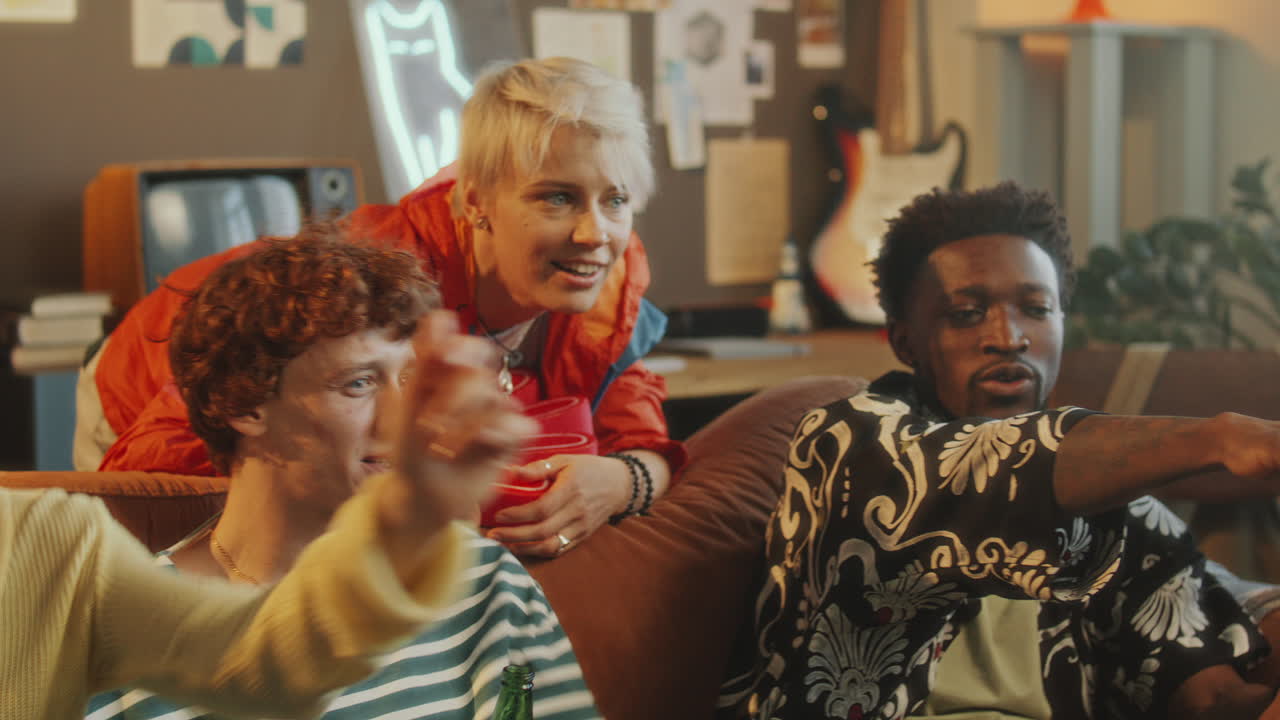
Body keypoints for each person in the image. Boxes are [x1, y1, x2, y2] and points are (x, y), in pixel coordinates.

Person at [75, 56, 683, 558]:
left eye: (616, 199)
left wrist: (623, 481)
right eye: (556, 198)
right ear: (475, 201)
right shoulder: (372, 287)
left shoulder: (601, 287)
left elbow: (642, 434)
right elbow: (162, 456)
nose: (594, 233)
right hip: (148, 379)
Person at [718, 182, 1280, 719]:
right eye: (966, 313)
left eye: (1036, 309)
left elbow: (1205, 687)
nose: (1008, 336)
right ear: (905, 340)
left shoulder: (1116, 508)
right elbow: (984, 468)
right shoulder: (849, 444)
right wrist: (1218, 437)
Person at [85, 231, 600, 719]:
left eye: (407, 379)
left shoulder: (485, 582)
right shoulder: (130, 638)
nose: (403, 419)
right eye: (358, 383)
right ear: (243, 402)